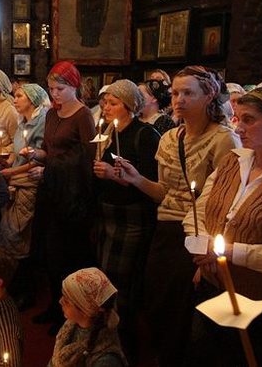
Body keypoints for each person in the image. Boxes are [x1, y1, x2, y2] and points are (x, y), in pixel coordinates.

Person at [117, 66, 240, 366]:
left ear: (209, 95)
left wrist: (208, 253)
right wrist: (135, 179)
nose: (179, 99)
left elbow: (226, 202)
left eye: (188, 93)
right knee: (156, 302)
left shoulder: (223, 140)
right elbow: (164, 193)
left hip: (197, 235)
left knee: (183, 311)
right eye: (175, 93)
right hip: (166, 230)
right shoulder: (170, 138)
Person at [184, 85, 262, 366]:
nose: (238, 129)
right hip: (213, 288)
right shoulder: (234, 161)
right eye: (237, 119)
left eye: (249, 120)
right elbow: (197, 212)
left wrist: (229, 252)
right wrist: (202, 247)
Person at [91, 79, 160, 362]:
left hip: (131, 218)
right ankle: (107, 338)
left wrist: (114, 175)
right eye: (105, 102)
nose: (106, 108)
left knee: (122, 284)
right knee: (105, 278)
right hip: (107, 214)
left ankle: (124, 345)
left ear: (130, 106)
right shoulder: (107, 132)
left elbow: (149, 180)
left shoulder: (145, 134)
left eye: (114, 103)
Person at [28, 61, 96, 335]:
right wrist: (36, 156)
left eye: (60, 88)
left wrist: (49, 167)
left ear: (74, 87)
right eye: (51, 88)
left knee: (66, 254)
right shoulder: (52, 115)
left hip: (71, 195)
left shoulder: (83, 115)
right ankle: (56, 305)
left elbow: (85, 158)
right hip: (50, 189)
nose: (54, 93)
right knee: (48, 251)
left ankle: (71, 312)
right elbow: (49, 149)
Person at [0, 83, 49, 310]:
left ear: (33, 100)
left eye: (19, 96)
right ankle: (14, 286)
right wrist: (4, 161)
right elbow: (18, 154)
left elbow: (37, 159)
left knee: (19, 235)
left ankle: (26, 291)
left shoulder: (41, 122)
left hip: (28, 183)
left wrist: (10, 172)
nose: (14, 99)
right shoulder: (22, 121)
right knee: (9, 236)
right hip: (15, 181)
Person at [48, 268, 126, 367]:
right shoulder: (71, 325)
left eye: (67, 301)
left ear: (86, 310)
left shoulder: (105, 361)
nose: (60, 301)